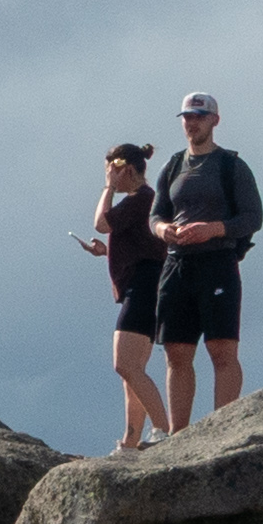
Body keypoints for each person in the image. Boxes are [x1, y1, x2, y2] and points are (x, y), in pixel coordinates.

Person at [148, 95, 260, 430]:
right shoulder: (172, 166)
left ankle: (222, 432)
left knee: (222, 350)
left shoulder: (231, 166)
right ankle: (178, 435)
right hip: (177, 265)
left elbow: (253, 217)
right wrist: (164, 229)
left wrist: (213, 229)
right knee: (176, 353)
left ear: (215, 120)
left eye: (199, 115)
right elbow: (156, 214)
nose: (192, 122)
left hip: (218, 262)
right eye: (187, 116)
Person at [79, 143, 164, 446]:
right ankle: (131, 441)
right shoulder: (142, 202)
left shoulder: (141, 198)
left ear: (126, 169)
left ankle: (163, 429)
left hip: (144, 287)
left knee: (124, 364)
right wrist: (107, 253)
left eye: (112, 171)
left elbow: (102, 223)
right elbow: (142, 245)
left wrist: (108, 188)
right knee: (132, 372)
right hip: (143, 284)